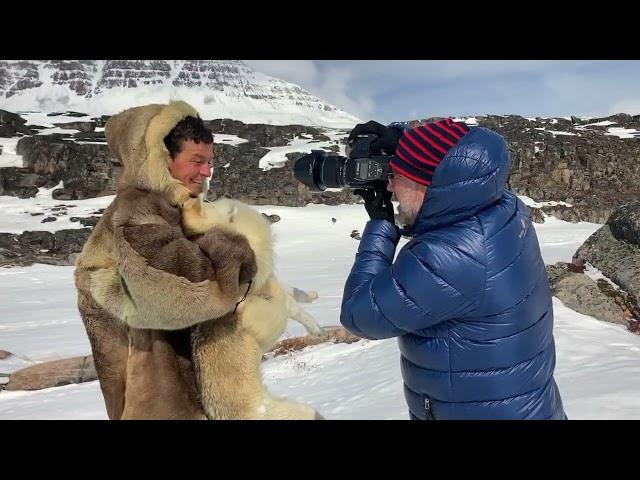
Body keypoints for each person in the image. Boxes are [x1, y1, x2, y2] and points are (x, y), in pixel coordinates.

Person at [340, 119, 566, 420]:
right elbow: (454, 155)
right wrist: (401, 138)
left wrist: (381, 225)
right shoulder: (503, 209)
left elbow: (360, 314)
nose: (390, 185)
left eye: (396, 175)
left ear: (428, 185)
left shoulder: (449, 256)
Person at [74, 101, 257, 419]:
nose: (206, 172)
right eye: (196, 161)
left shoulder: (175, 211)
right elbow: (178, 299)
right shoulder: (140, 210)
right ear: (162, 158)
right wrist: (230, 250)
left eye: (209, 162)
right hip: (160, 399)